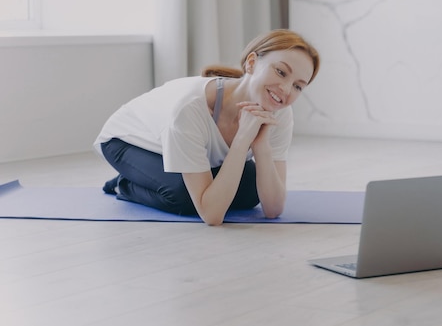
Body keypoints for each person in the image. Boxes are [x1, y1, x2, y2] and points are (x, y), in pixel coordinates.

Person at [94, 29, 320, 225]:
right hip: (128, 142)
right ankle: (124, 184)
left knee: (252, 190)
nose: (286, 89)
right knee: (185, 197)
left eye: (298, 86)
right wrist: (242, 140)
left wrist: (261, 146)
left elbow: (273, 209)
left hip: (181, 147)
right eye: (281, 72)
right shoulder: (192, 108)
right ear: (251, 63)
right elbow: (212, 216)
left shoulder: (280, 112)